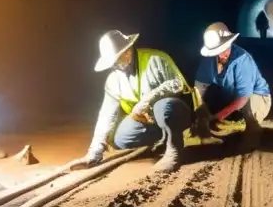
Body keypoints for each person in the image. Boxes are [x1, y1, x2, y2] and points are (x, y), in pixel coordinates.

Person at [76, 30, 192, 173]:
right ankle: (161, 140)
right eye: (112, 63)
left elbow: (177, 84)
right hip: (148, 121)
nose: (114, 66)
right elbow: (106, 115)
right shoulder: (113, 80)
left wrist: (149, 99)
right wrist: (95, 151)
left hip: (175, 112)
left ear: (128, 51)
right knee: (121, 139)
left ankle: (173, 150)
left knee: (165, 107)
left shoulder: (155, 59)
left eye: (116, 60)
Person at [193, 22, 271, 145]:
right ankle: (214, 128)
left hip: (255, 96)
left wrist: (218, 117)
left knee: (248, 108)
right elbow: (199, 88)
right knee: (207, 98)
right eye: (218, 51)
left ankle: (252, 134)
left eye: (225, 49)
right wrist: (202, 113)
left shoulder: (242, 59)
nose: (222, 54)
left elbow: (243, 98)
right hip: (230, 94)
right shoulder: (209, 60)